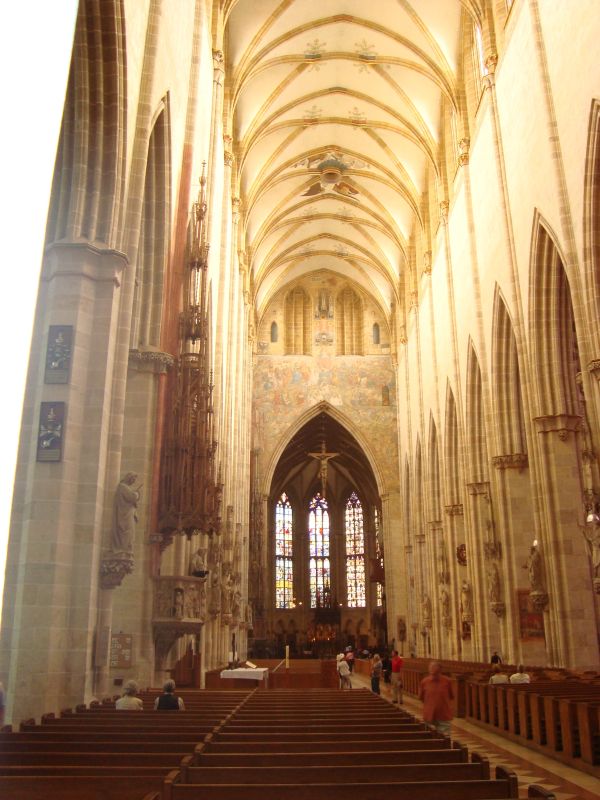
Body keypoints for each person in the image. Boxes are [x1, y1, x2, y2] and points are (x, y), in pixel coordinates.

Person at [419, 661, 454, 735]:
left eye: (435, 669)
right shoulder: (424, 682)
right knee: (429, 737)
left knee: (445, 737)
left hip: (443, 715)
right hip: (429, 715)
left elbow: (451, 696)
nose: (432, 670)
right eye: (431, 668)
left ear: (440, 670)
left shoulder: (447, 681)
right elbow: (421, 698)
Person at [112, 472, 142, 553]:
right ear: (129, 478)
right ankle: (123, 549)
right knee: (127, 531)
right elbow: (132, 497)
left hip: (128, 514)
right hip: (125, 515)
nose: (133, 482)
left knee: (130, 533)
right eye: (133, 480)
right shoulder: (123, 487)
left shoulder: (125, 487)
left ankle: (126, 549)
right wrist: (137, 493)